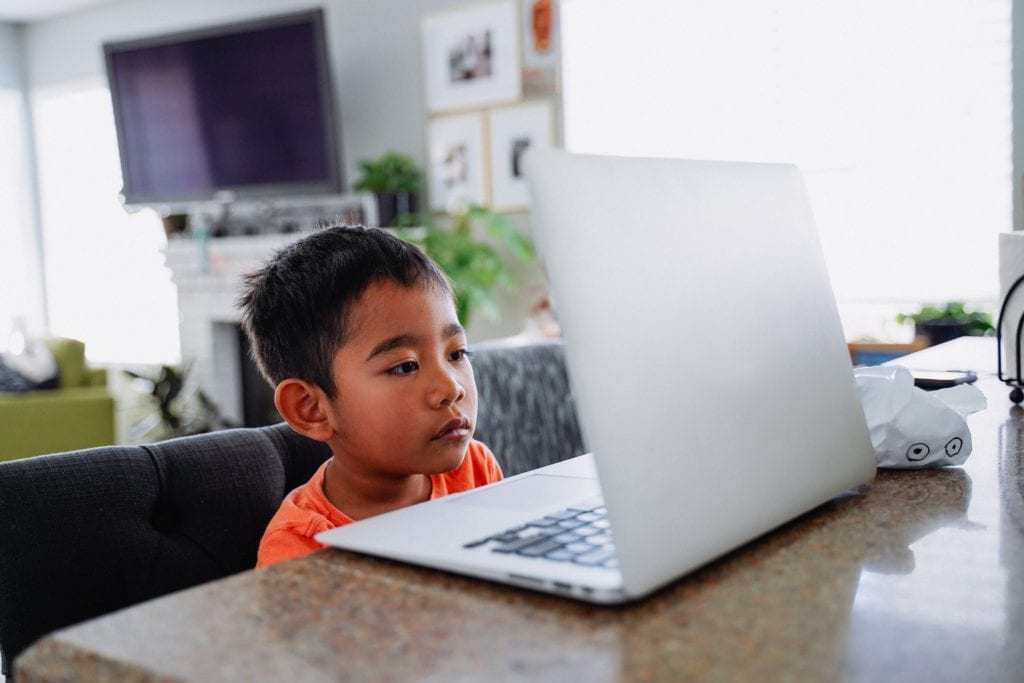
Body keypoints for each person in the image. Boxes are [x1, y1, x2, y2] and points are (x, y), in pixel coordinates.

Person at [238, 225, 504, 567]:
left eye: (456, 354)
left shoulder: (474, 469)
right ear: (312, 409)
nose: (452, 388)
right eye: (405, 367)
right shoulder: (301, 549)